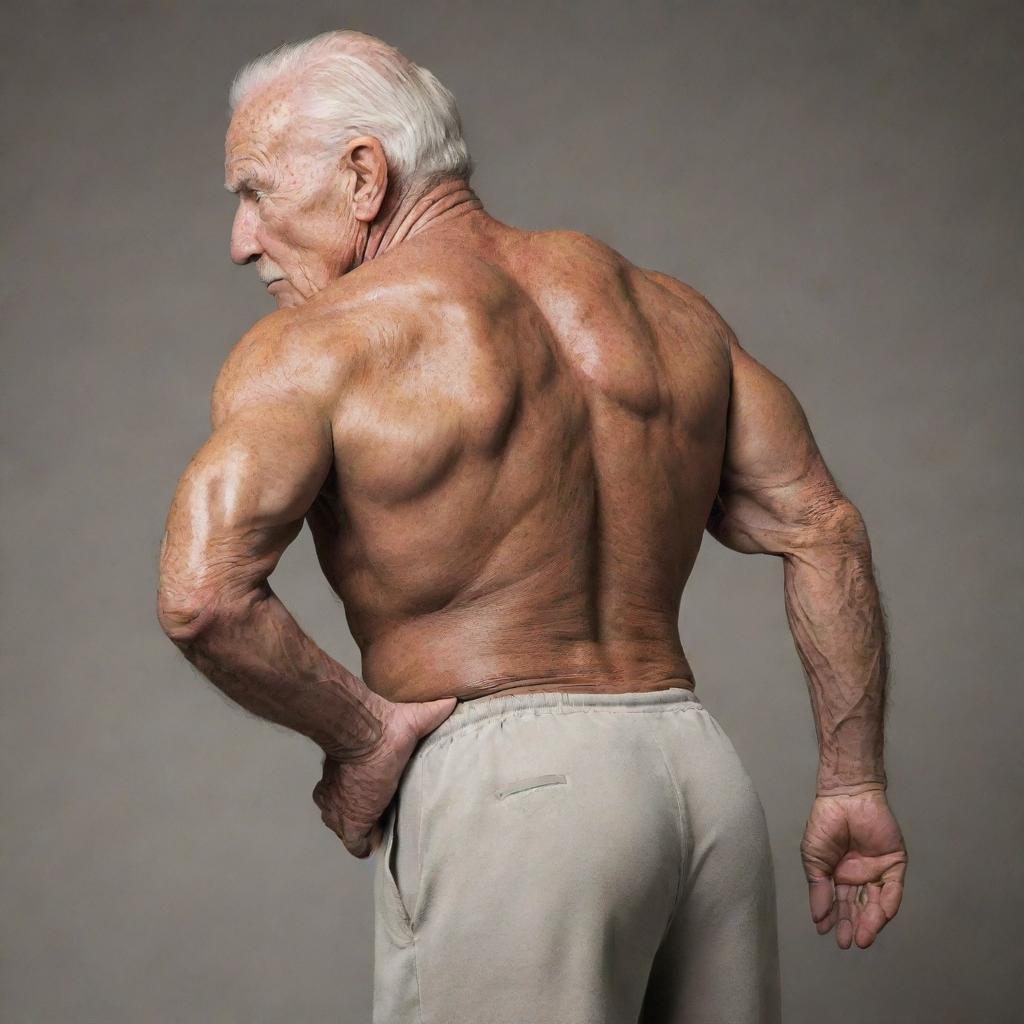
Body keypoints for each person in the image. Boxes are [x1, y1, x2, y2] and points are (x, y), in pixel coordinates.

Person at [156, 29, 908, 1024]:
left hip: (517, 797)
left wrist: (364, 735)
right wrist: (850, 777)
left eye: (254, 191)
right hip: (702, 784)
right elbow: (824, 527)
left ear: (364, 174)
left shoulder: (319, 343)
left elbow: (201, 596)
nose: (241, 240)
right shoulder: (668, 313)